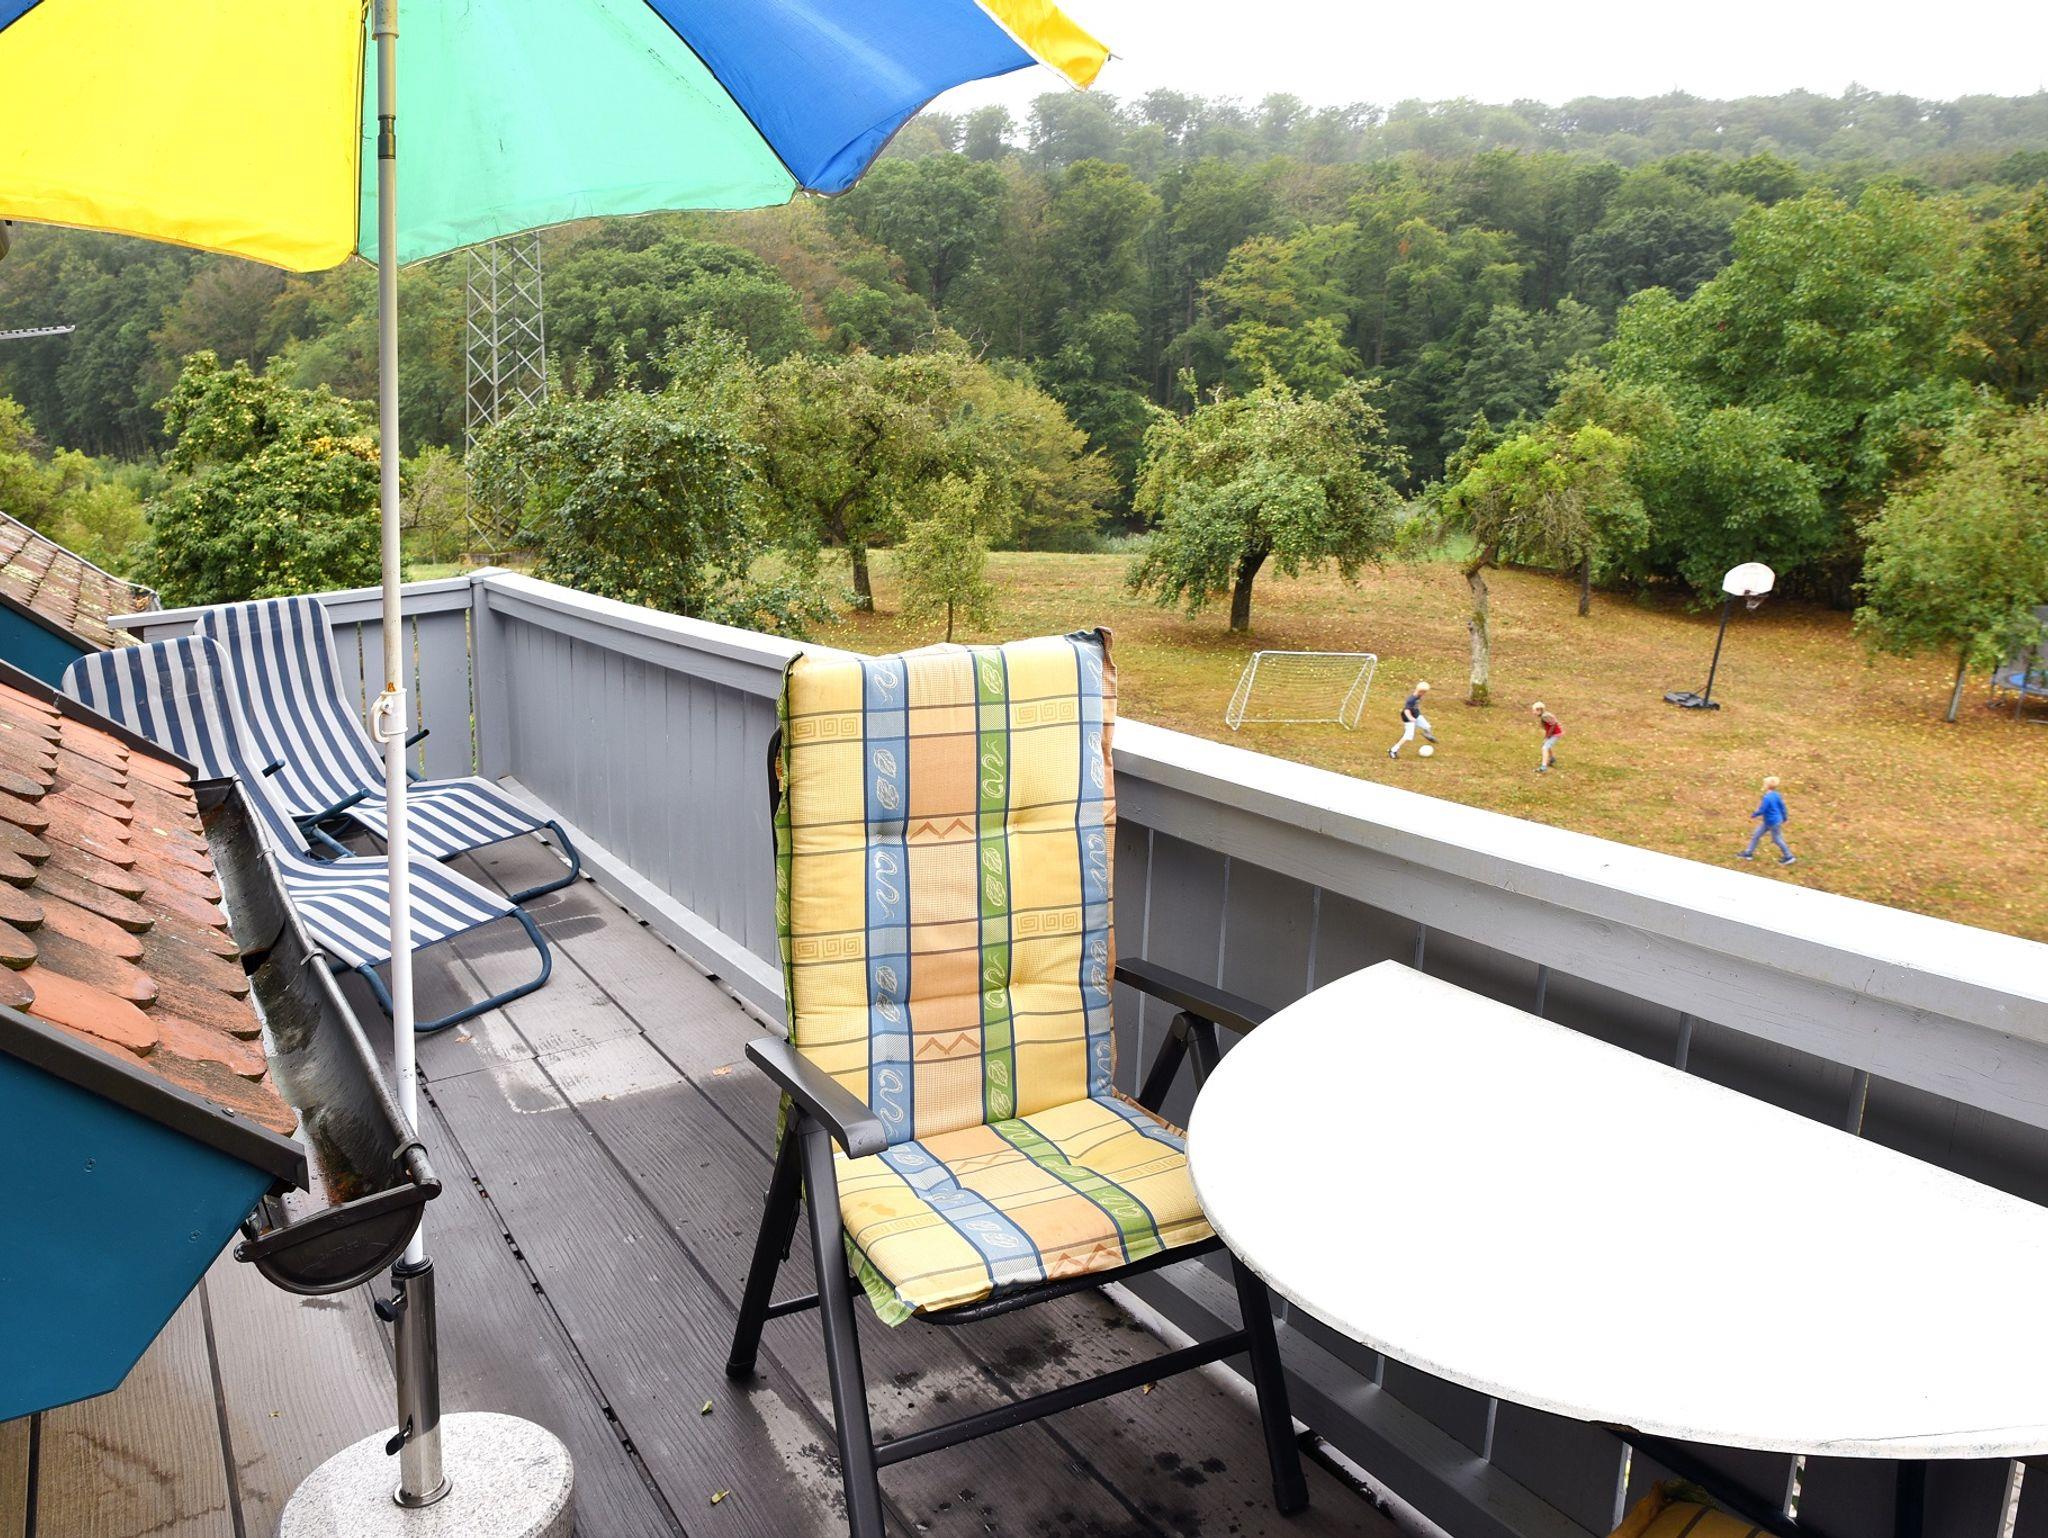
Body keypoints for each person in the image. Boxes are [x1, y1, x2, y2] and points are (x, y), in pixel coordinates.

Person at [1741, 775, 1796, 865]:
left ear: (1767, 786)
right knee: (1756, 834)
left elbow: (1762, 810)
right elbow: (1782, 807)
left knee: (1777, 839)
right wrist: (1784, 817)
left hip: (1772, 822)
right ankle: (1748, 853)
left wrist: (1754, 814)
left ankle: (1789, 856)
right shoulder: (1777, 795)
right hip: (1772, 820)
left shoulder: (1767, 798)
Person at [1388, 681, 1435, 758]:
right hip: (1409, 718)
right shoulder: (1411, 700)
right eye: (1424, 692)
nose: (1425, 694)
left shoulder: (1418, 696)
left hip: (1416, 715)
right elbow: (1406, 710)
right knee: (1408, 735)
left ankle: (1428, 735)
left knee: (1427, 726)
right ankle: (1393, 750)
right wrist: (1410, 718)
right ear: (1421, 691)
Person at [1532, 702, 1563, 772]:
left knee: (1545, 748)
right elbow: (1551, 724)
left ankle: (1543, 767)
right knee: (1546, 744)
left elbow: (1553, 724)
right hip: (1554, 733)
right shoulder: (1544, 715)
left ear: (1539, 710)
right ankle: (1552, 759)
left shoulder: (1544, 716)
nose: (1533, 712)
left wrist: (1548, 736)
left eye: (1534, 710)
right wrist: (1547, 736)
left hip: (1555, 734)